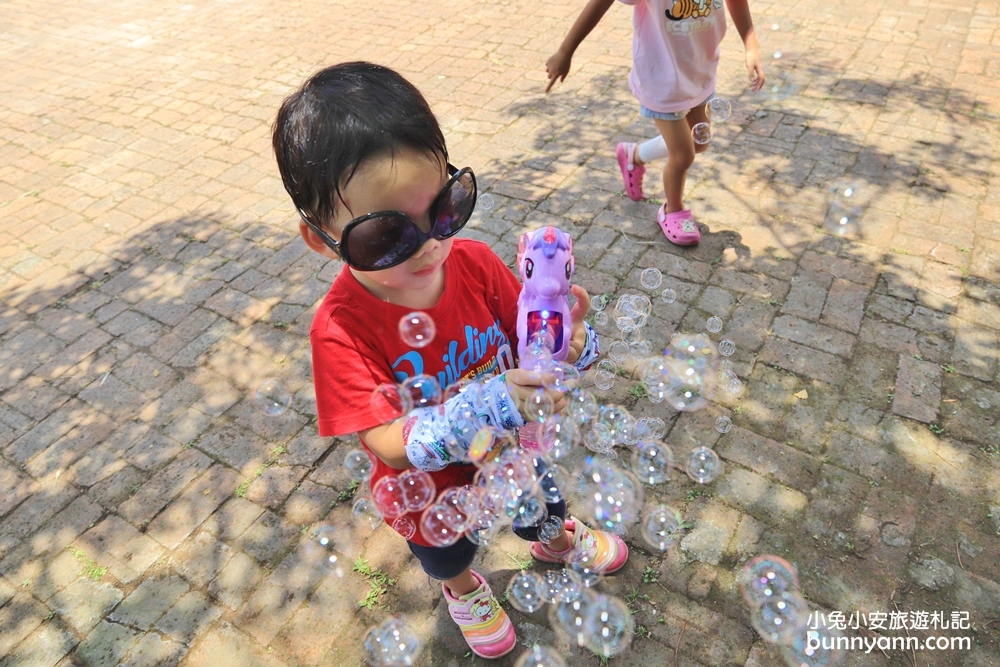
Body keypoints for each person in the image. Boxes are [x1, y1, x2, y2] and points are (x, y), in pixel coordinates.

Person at [272, 62, 628, 660]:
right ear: (322, 238)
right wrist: (480, 406)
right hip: (428, 487)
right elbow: (385, 440)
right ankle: (465, 592)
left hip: (510, 450)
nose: (430, 243)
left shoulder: (477, 262)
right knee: (447, 550)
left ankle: (554, 539)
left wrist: (565, 344)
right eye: (385, 235)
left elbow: (528, 348)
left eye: (443, 208)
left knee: (543, 500)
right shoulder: (340, 329)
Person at [545, 0, 765, 246]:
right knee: (683, 156)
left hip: (700, 73)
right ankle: (673, 210)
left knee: (698, 143)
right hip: (662, 80)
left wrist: (751, 45)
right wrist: (566, 50)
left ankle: (635, 155)